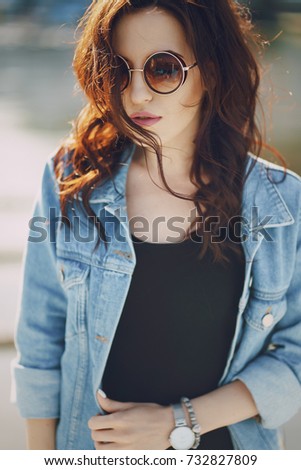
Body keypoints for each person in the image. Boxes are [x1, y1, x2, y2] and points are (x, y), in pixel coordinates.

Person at [12, 0, 301, 450]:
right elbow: (40, 346)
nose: (136, 95)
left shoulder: (283, 202)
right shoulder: (70, 180)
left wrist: (177, 422)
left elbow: (296, 356)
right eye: (118, 71)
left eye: (162, 69)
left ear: (212, 69)